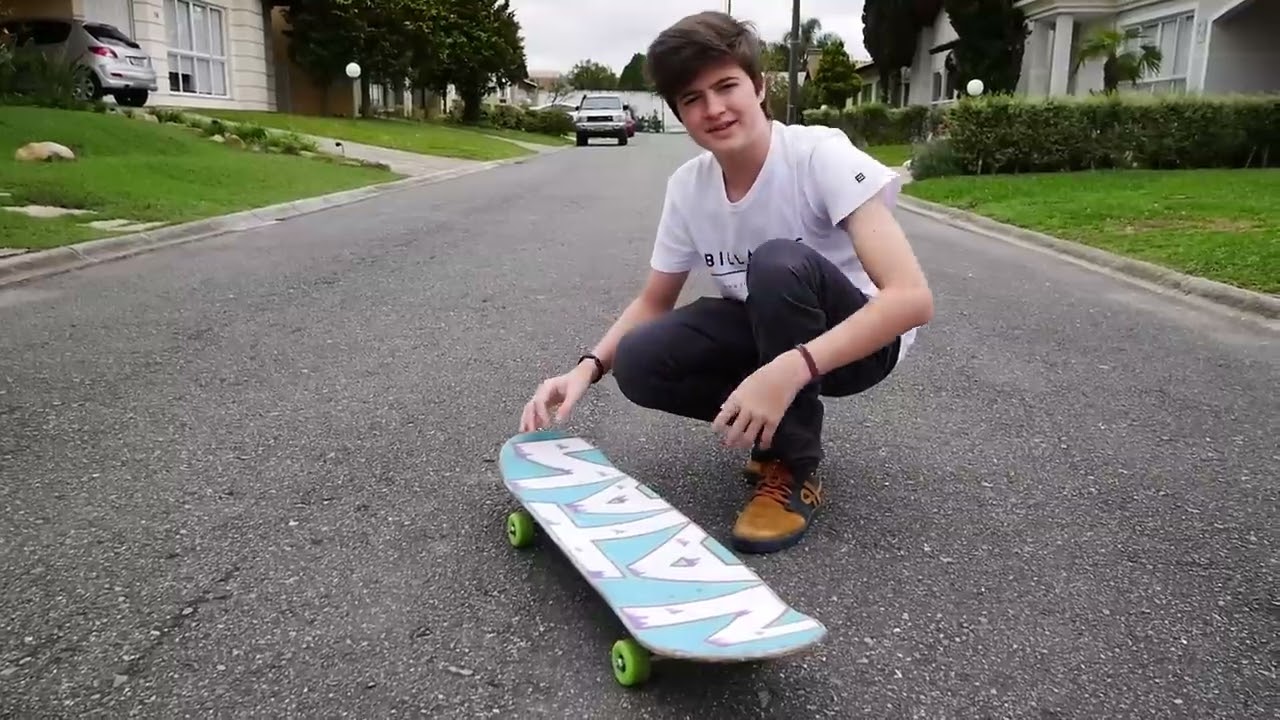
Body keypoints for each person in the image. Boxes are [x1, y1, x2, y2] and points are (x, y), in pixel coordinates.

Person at [518, 11, 934, 554]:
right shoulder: (689, 187)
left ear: (759, 87)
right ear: (679, 114)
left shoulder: (818, 155)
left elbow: (912, 299)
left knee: (777, 263)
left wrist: (790, 370)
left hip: (859, 344)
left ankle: (793, 464)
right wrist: (586, 368)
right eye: (692, 99)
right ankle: (777, 431)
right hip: (772, 333)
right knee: (641, 361)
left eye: (726, 86)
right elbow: (654, 300)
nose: (713, 109)